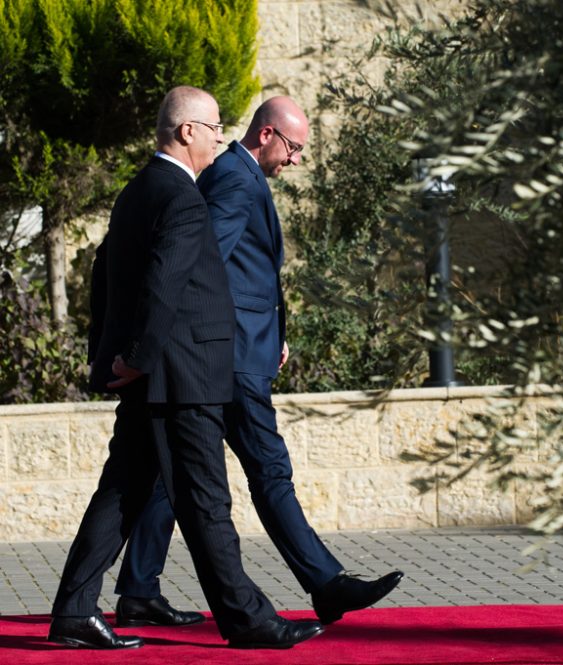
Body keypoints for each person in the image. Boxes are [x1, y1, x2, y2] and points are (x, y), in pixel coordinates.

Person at [113, 96, 403, 629]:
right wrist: (219, 338)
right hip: (232, 358)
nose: (296, 160)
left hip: (243, 348)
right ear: (266, 135)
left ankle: (137, 589)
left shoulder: (240, 175)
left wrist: (277, 332)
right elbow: (200, 264)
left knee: (168, 475)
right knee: (269, 469)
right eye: (294, 148)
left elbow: (250, 271)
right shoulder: (235, 179)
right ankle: (326, 584)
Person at [48, 86, 323, 650]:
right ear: (187, 131)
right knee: (206, 502)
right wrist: (137, 356)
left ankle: (74, 609)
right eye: (216, 126)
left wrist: (110, 352)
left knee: (122, 491)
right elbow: (164, 285)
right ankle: (248, 620)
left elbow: (106, 275)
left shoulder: (138, 190)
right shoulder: (180, 195)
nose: (223, 136)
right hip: (184, 375)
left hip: (160, 374)